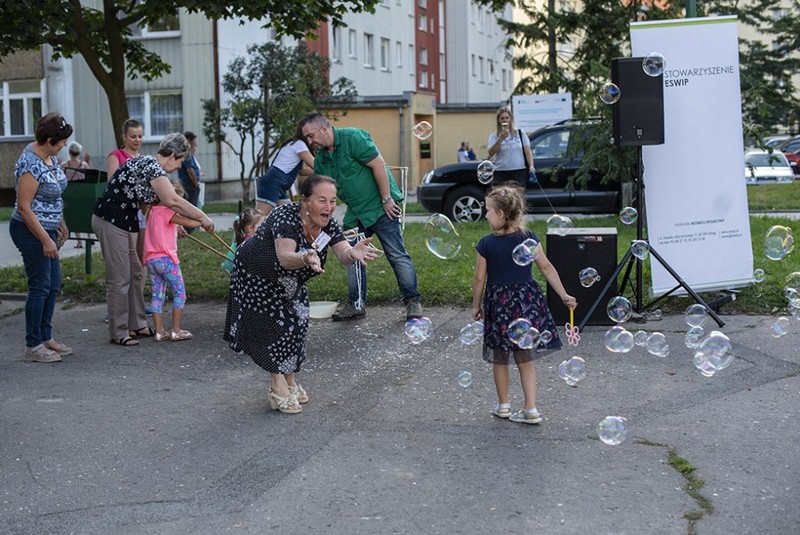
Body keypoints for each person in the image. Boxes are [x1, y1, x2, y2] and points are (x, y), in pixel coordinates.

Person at [224, 175, 379, 414]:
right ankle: (277, 388)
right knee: (273, 325)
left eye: (332, 200)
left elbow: (342, 252)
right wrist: (305, 256)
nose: (329, 207)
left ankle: (289, 379)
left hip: (287, 278)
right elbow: (286, 258)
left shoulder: (327, 223)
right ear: (305, 201)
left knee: (297, 321)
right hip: (255, 272)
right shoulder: (285, 217)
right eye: (322, 200)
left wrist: (353, 253)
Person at [92, 133, 215, 347]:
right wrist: (202, 217)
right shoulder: (152, 166)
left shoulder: (150, 166)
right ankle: (118, 331)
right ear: (173, 155)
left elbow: (156, 206)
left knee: (137, 272)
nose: (178, 167)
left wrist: (175, 227)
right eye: (180, 161)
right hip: (110, 219)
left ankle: (137, 323)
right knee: (120, 278)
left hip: (126, 221)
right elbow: (172, 201)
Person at [299, 112, 423, 321]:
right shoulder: (321, 159)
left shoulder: (352, 138)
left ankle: (413, 301)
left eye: (311, 136)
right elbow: (323, 191)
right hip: (356, 213)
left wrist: (386, 199)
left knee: (396, 254)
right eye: (307, 138)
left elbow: (378, 165)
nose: (310, 142)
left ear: (323, 128)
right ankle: (356, 305)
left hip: (380, 207)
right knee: (351, 254)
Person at [471, 183, 576, 424]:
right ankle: (531, 409)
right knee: (524, 356)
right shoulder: (529, 239)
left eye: (488, 210)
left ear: (501, 214)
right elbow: (547, 268)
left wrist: (476, 306)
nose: (485, 215)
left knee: (500, 356)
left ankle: (504, 405)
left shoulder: (486, 243)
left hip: (499, 304)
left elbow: (479, 279)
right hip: (526, 303)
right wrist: (564, 295)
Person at [9, 113, 75, 363]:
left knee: (54, 283)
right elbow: (25, 207)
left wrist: (61, 221)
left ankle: (46, 336)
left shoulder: (50, 157)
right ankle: (33, 345)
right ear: (49, 140)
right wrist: (45, 240)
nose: (65, 145)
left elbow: (55, 193)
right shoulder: (30, 163)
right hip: (29, 230)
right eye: (61, 141)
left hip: (48, 228)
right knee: (40, 285)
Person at [143, 181, 202, 342]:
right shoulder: (168, 213)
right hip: (167, 261)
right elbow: (189, 222)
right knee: (180, 294)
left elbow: (160, 228)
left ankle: (160, 331)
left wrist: (176, 228)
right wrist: (203, 221)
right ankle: (176, 330)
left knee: (157, 295)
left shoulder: (152, 211)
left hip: (151, 261)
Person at [255, 125, 315, 216]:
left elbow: (302, 172)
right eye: (310, 137)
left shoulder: (294, 144)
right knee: (258, 219)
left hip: (279, 186)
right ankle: (240, 226)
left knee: (289, 216)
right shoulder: (299, 144)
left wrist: (320, 171)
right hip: (272, 183)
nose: (312, 141)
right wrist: (329, 168)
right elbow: (315, 165)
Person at [486, 106, 535, 188]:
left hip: (518, 170)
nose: (505, 120)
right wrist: (500, 139)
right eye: (502, 118)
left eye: (506, 118)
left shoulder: (520, 133)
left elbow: (528, 151)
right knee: (500, 199)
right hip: (500, 171)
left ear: (510, 119)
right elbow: (491, 153)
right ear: (498, 120)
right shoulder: (494, 136)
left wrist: (531, 165)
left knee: (516, 198)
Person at [60, 141, 92, 247]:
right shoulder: (84, 165)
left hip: (70, 194)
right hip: (83, 193)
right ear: (79, 153)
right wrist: (89, 161)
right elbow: (91, 176)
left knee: (74, 215)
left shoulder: (64, 165)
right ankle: (89, 237)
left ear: (69, 152)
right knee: (85, 214)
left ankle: (79, 241)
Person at [221, 208, 264, 273]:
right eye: (262, 225)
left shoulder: (246, 240)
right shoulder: (251, 243)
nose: (265, 227)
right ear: (250, 228)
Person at [178, 131, 202, 210]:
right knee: (192, 204)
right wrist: (195, 183)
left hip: (188, 182)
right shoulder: (186, 153)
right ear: (188, 140)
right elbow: (190, 170)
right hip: (190, 183)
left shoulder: (186, 152)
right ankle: (192, 220)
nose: (195, 144)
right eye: (193, 141)